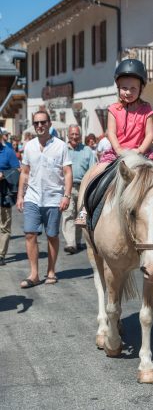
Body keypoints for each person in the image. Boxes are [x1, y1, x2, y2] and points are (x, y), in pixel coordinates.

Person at [75, 58, 153, 226]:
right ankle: (85, 209)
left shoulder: (147, 109)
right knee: (94, 174)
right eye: (124, 88)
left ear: (141, 88)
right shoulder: (113, 109)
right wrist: (118, 149)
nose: (128, 92)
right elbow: (111, 133)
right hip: (117, 152)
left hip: (141, 151)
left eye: (132, 88)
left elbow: (150, 134)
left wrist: (140, 150)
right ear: (118, 88)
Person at [16, 111, 72, 288]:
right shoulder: (29, 146)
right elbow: (24, 172)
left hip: (54, 198)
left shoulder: (61, 146)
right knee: (30, 234)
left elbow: (67, 172)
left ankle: (51, 271)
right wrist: (20, 195)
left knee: (52, 235)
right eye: (36, 123)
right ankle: (34, 274)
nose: (39, 126)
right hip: (32, 197)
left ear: (49, 123)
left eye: (42, 122)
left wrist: (66, 195)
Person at [62, 125, 95, 254]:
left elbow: (93, 170)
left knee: (81, 216)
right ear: (68, 136)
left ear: (81, 136)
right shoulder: (63, 149)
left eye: (77, 134)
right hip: (67, 187)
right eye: (72, 134)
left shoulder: (87, 151)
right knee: (68, 214)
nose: (74, 137)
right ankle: (71, 243)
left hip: (83, 187)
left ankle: (77, 241)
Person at [0, 129, 20, 265]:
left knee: (4, 226)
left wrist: (3, 174)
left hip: (4, 194)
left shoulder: (8, 152)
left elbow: (17, 170)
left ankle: (1, 255)